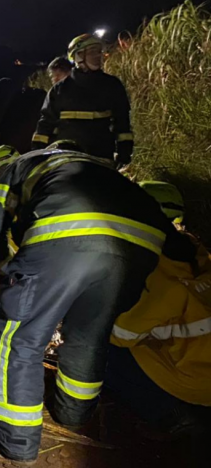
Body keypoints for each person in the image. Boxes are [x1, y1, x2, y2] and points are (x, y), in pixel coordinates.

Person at [0, 145, 188, 464]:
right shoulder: (102, 172)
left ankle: (15, 439)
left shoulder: (23, 164)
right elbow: (173, 240)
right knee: (89, 337)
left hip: (69, 234)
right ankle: (73, 415)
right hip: (140, 250)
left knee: (19, 337)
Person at [106, 181, 211, 436]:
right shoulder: (199, 256)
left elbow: (120, 335)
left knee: (101, 350)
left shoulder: (160, 276)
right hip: (201, 364)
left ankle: (169, 412)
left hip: (195, 381)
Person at [31, 34, 134, 167]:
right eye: (92, 52)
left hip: (102, 158)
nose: (98, 56)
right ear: (77, 56)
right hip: (67, 160)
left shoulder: (113, 86)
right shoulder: (59, 90)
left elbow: (122, 124)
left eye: (99, 51)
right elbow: (45, 126)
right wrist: (37, 155)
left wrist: (124, 156)